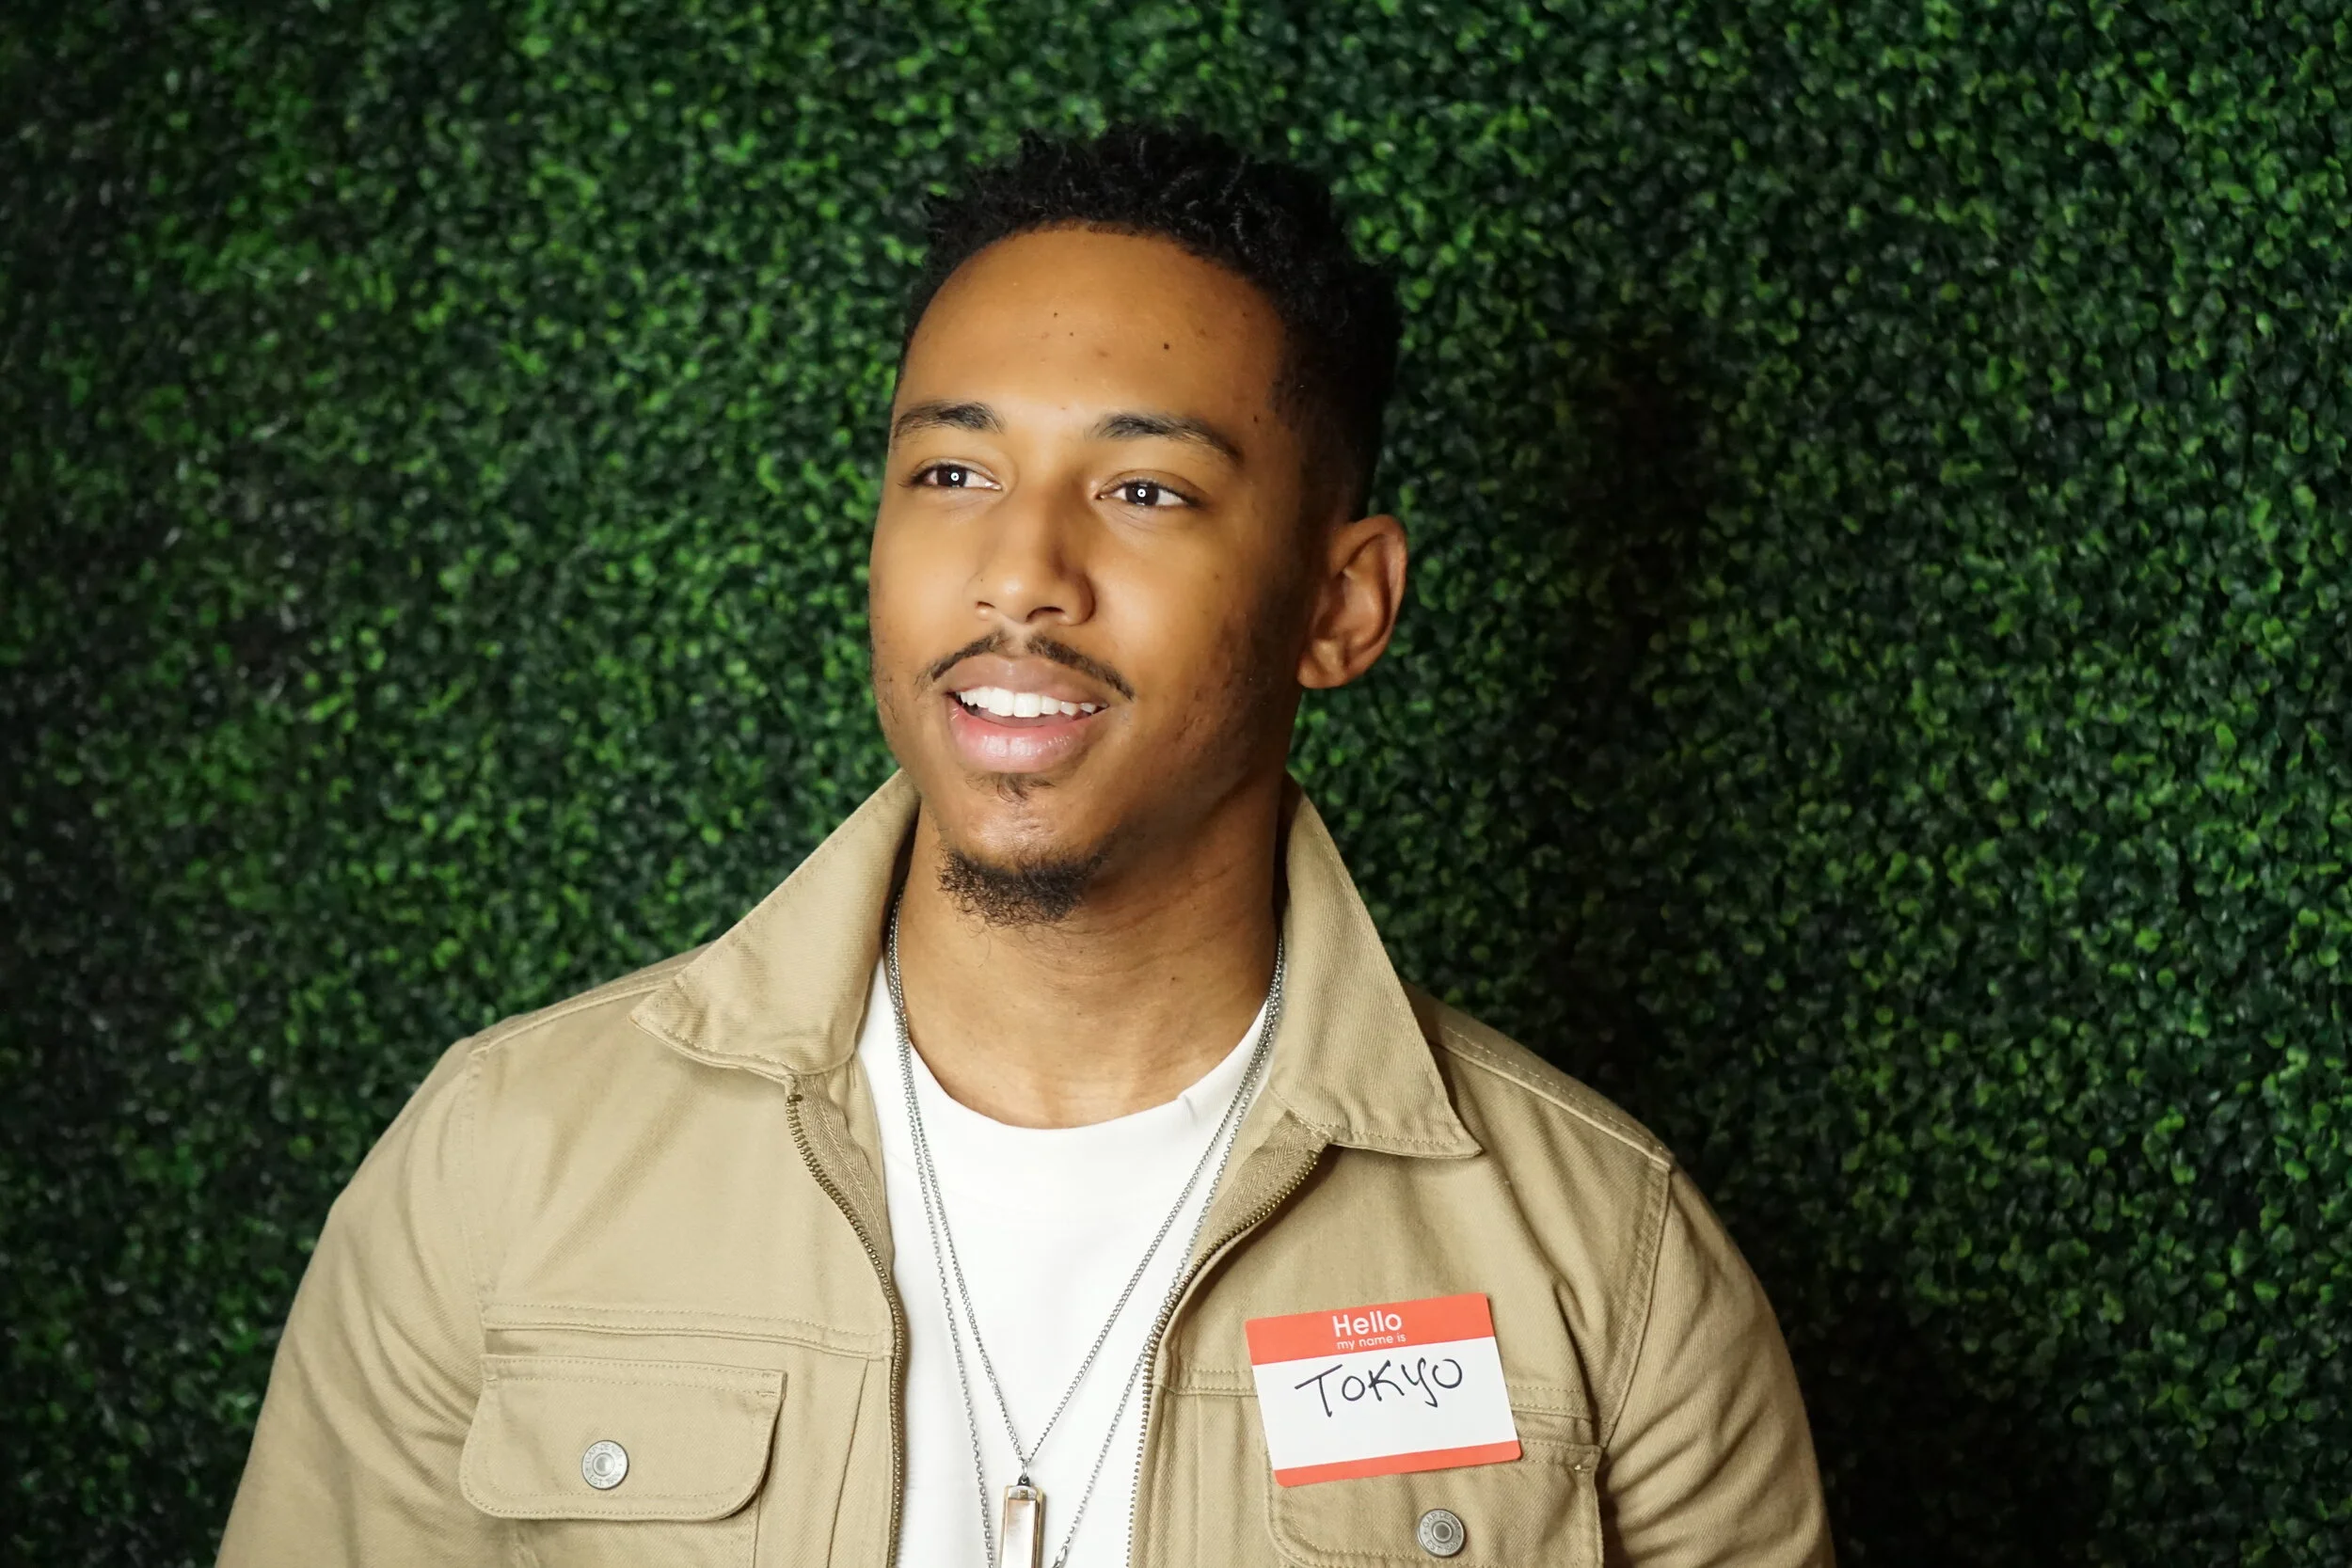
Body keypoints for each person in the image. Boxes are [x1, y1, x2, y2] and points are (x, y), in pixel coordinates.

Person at [219, 121, 1832, 1568]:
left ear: (1341, 605)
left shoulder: (1605, 1266)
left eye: (1145, 489)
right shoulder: (505, 1161)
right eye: (952, 471)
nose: (1019, 572)